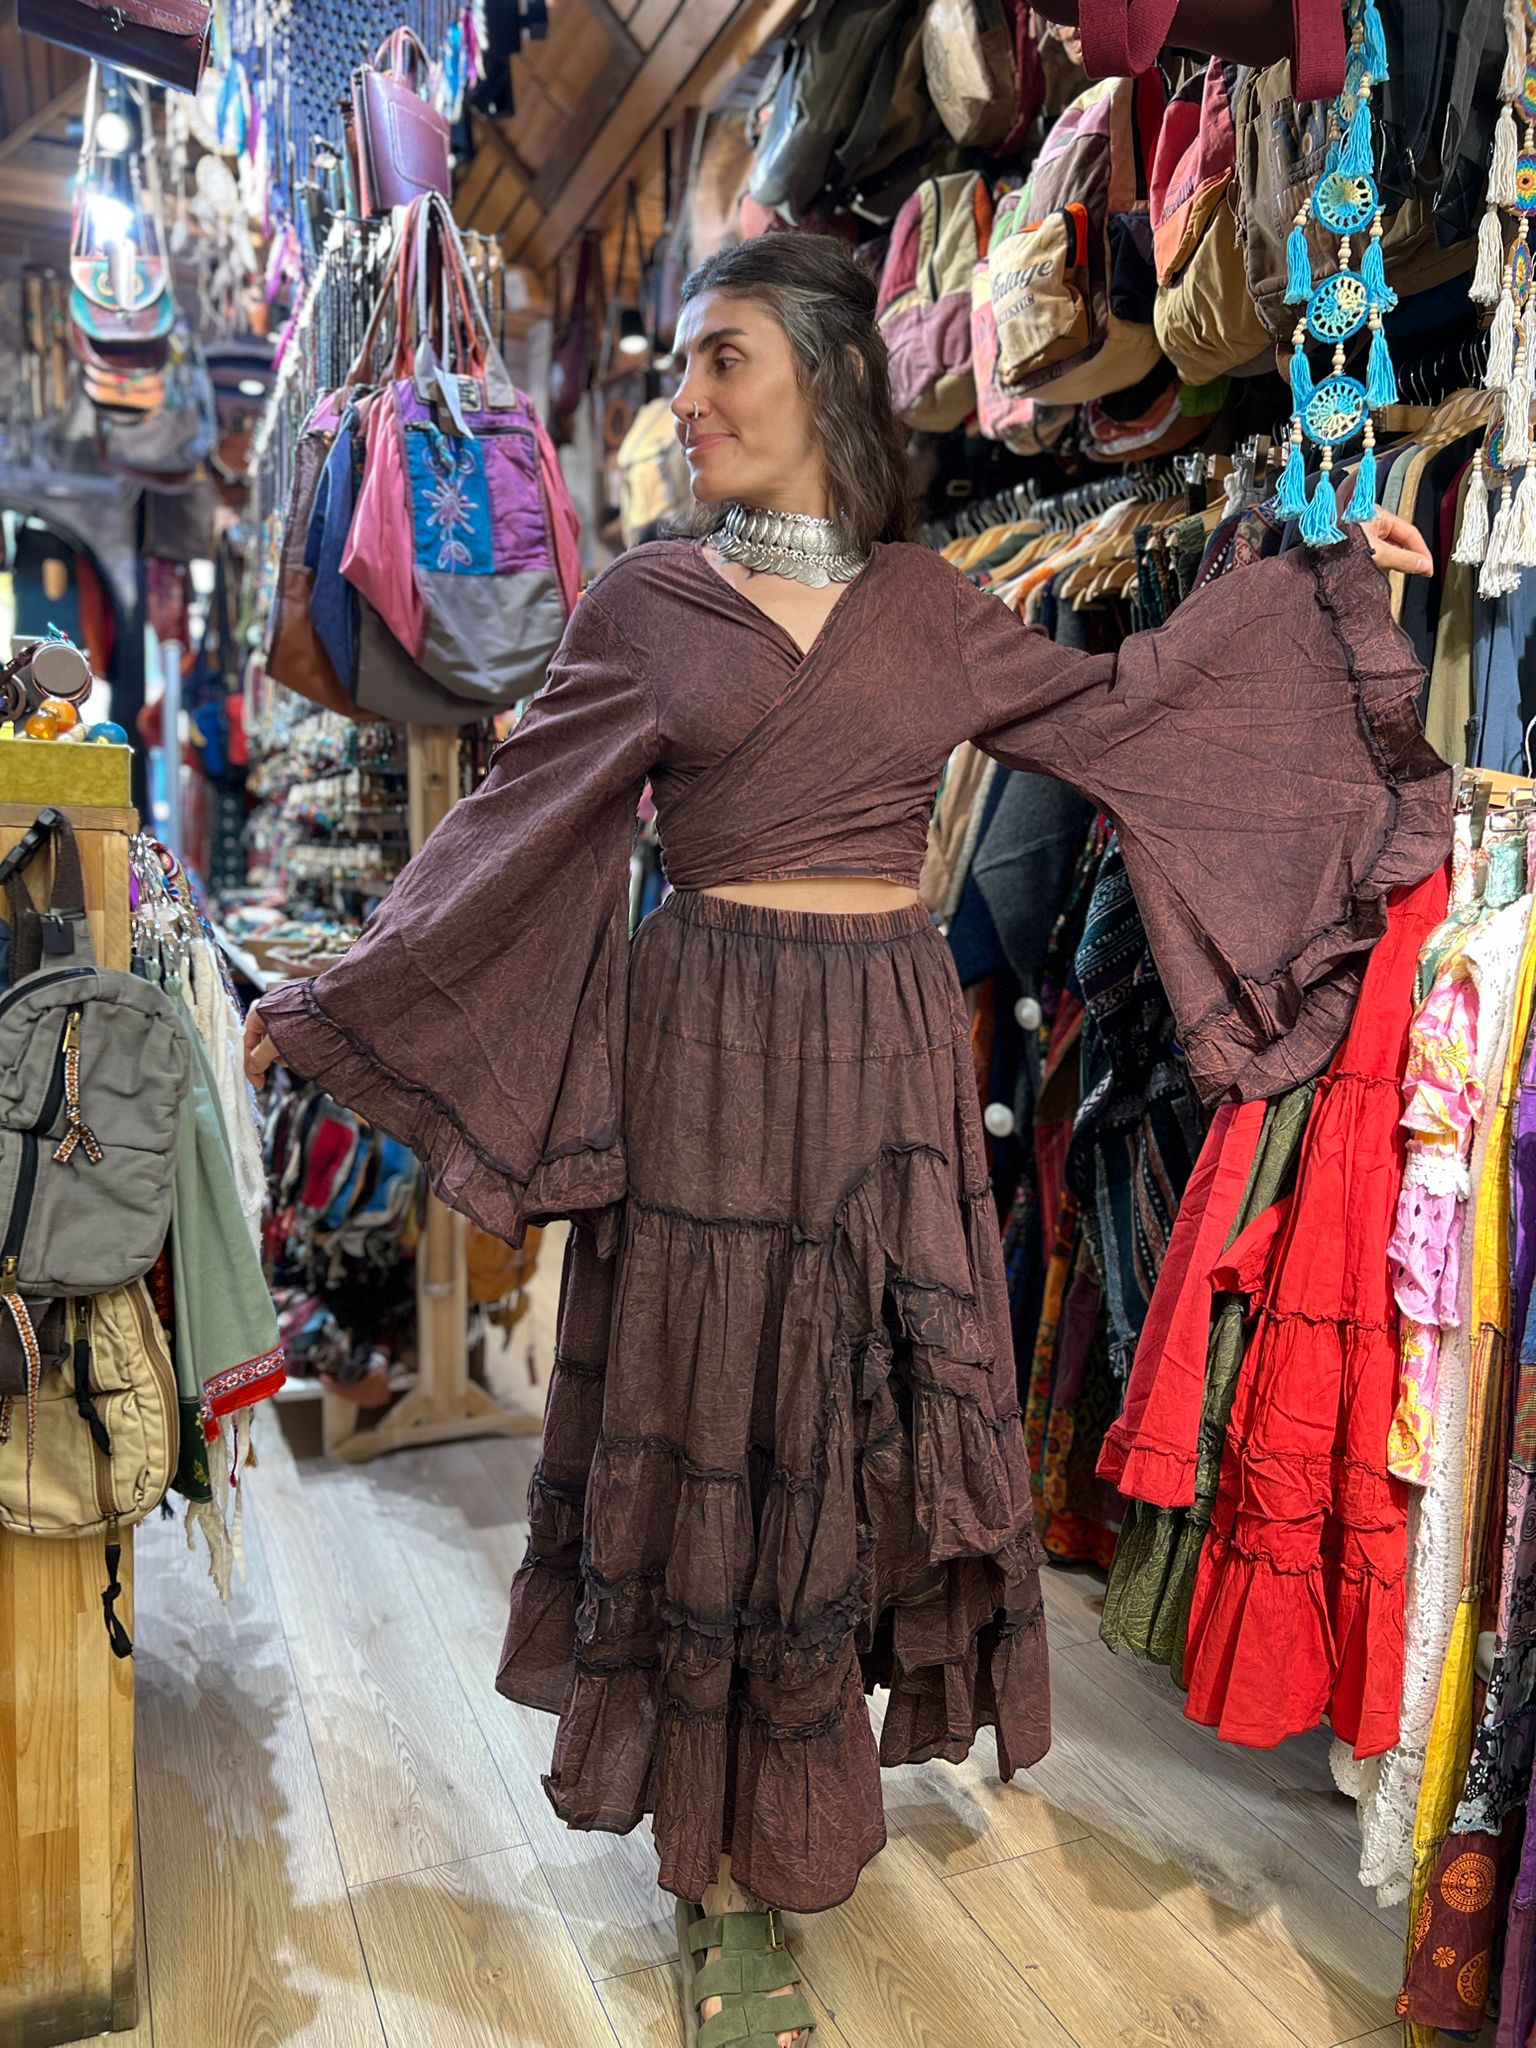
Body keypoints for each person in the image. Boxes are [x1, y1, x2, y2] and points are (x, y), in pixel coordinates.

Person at [245, 233, 1445, 2047]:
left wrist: (1331, 592)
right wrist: (340, 996)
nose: (687, 398)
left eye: (721, 358)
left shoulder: (931, 603)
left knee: (842, 1423)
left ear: (821, 374)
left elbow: (1131, 713)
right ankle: (724, 1889)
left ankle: (791, 1812)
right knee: (722, 1421)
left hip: (887, 1057)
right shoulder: (648, 604)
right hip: (708, 1055)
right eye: (685, 365)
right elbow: (513, 827)